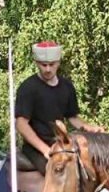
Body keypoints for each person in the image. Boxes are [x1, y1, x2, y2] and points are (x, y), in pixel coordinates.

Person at [14, 40, 103, 175]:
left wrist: (90, 128)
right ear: (37, 63)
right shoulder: (28, 88)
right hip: (36, 148)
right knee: (59, 174)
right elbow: (21, 124)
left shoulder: (67, 87)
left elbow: (72, 117)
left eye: (52, 64)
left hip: (62, 144)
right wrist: (44, 149)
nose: (48, 69)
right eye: (44, 65)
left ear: (58, 63)